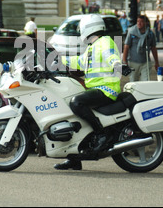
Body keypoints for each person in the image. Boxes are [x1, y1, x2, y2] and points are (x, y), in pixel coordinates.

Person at [55, 14, 131, 170]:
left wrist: (119, 65)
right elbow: (79, 62)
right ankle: (74, 158)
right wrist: (58, 59)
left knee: (76, 102)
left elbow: (111, 57)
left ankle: (101, 133)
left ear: (87, 28)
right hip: (95, 89)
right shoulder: (92, 47)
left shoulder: (105, 42)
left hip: (106, 90)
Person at [122, 14, 160, 82]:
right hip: (133, 62)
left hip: (145, 62)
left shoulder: (150, 34)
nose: (139, 23)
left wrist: (156, 62)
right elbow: (126, 46)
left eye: (141, 21)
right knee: (133, 81)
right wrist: (124, 61)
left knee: (146, 81)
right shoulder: (131, 32)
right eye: (138, 21)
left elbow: (153, 48)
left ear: (146, 23)